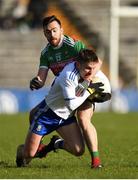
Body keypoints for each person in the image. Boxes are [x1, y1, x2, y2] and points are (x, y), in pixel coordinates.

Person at [28, 15, 105, 168]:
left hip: (84, 89)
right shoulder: (46, 53)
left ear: (61, 30)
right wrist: (36, 82)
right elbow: (41, 78)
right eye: (47, 32)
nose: (51, 35)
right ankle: (46, 145)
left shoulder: (73, 45)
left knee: (84, 119)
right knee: (33, 114)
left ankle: (96, 161)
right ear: (44, 33)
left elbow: (97, 62)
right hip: (65, 93)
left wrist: (86, 84)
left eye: (54, 30)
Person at [16, 49, 111, 168]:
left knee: (78, 150)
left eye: (93, 68)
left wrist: (105, 93)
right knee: (29, 154)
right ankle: (22, 150)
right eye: (88, 68)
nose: (91, 72)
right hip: (47, 115)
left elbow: (103, 84)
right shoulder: (68, 76)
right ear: (78, 64)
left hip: (66, 118)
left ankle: (54, 144)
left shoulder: (88, 69)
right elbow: (71, 105)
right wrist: (89, 91)